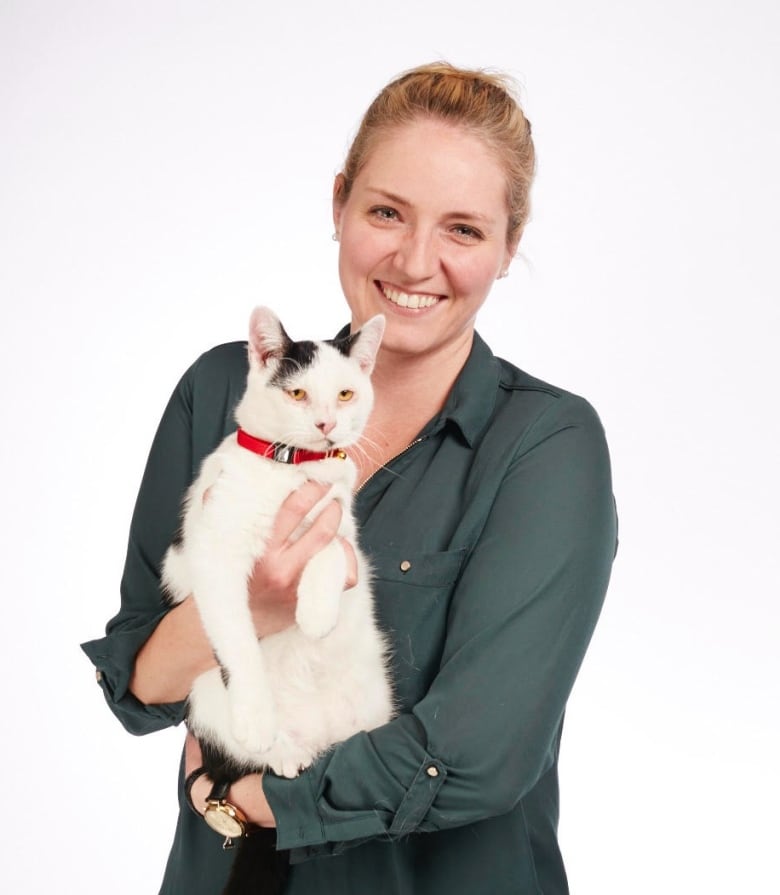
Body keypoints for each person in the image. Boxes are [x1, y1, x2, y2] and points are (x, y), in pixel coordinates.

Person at [82, 61, 617, 894]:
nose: (414, 260)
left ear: (510, 246)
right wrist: (257, 598)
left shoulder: (545, 445)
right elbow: (139, 681)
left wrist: (247, 792)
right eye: (386, 212)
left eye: (464, 230)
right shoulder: (225, 391)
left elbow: (477, 754)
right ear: (339, 204)